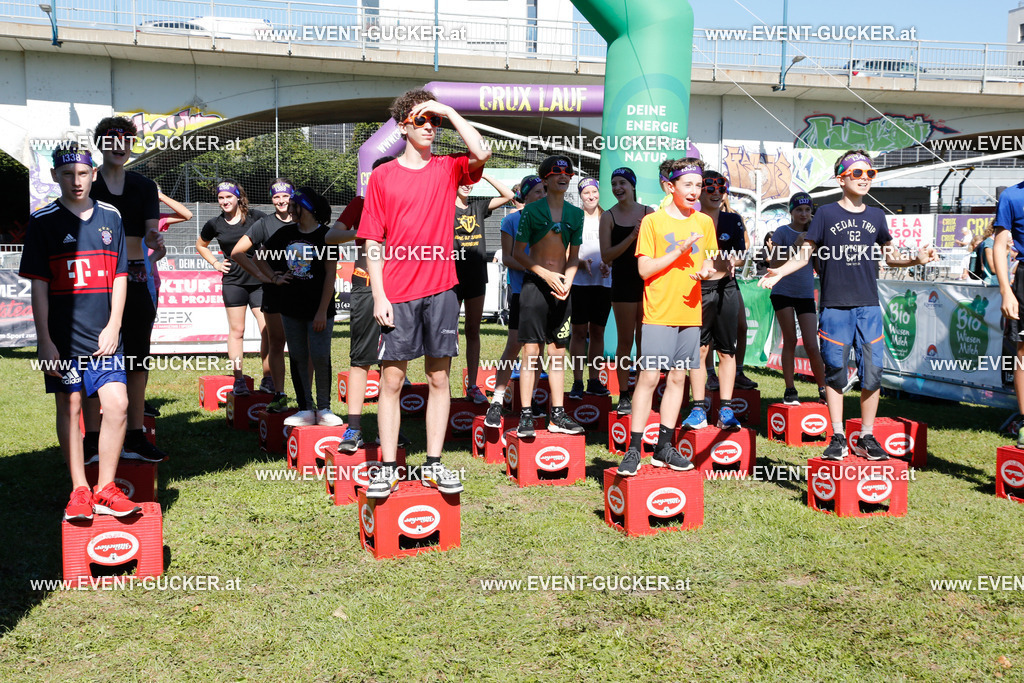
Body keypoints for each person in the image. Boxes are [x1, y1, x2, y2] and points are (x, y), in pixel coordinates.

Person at [760, 150, 937, 460]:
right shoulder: (825, 214)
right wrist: (779, 272)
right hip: (835, 307)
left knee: (873, 373)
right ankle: (838, 435)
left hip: (868, 306)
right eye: (857, 173)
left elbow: (891, 256)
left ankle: (867, 437)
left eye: (870, 173)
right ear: (840, 178)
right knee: (835, 372)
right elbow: (804, 255)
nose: (865, 178)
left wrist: (915, 259)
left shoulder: (877, 216)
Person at [357, 88, 489, 499]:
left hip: (442, 290)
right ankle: (387, 467)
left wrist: (447, 109)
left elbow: (481, 153)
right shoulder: (382, 175)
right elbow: (372, 243)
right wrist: (379, 295)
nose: (429, 128)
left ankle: (433, 464)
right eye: (421, 121)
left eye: (434, 122)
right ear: (402, 128)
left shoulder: (449, 168)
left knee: (438, 378)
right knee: (392, 381)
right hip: (397, 293)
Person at [19, 144, 140, 519]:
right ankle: (79, 490)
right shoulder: (42, 222)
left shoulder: (111, 217)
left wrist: (115, 325)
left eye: (83, 174)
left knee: (118, 405)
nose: (76, 181)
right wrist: (45, 341)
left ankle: (106, 486)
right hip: (64, 340)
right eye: (68, 174)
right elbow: (39, 286)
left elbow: (121, 276)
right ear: (55, 176)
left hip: (105, 336)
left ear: (93, 174)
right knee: (70, 408)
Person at [616, 158, 716, 476]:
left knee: (677, 379)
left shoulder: (704, 223)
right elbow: (644, 269)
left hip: (690, 312)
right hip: (658, 312)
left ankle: (664, 447)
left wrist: (706, 272)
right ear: (669, 187)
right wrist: (679, 251)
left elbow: (710, 264)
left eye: (698, 185)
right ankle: (633, 449)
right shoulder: (653, 223)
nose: (695, 191)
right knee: (648, 378)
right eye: (688, 184)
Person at [85, 117, 165, 464]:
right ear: (100, 144)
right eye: (112, 139)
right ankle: (91, 438)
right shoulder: (86, 183)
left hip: (135, 278)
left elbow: (150, 233)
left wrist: (154, 241)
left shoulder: (145, 186)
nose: (120, 146)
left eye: (126, 141)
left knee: (136, 357)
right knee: (92, 355)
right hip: (95, 282)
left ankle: (135, 434)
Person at [249, 187, 340, 427]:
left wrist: (322, 311)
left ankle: (324, 408)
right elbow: (259, 256)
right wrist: (273, 277)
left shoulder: (327, 236)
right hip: (290, 308)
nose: (289, 210)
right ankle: (305, 409)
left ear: (305, 207)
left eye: (293, 206)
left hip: (320, 310)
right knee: (298, 357)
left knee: (320, 356)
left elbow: (331, 275)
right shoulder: (285, 234)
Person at [512, 155, 587, 438]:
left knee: (557, 353)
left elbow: (574, 256)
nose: (563, 176)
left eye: (568, 172)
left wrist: (567, 280)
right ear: (545, 179)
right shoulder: (531, 212)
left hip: (562, 289)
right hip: (535, 287)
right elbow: (518, 253)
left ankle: (557, 414)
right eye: (556, 172)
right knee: (532, 352)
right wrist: (546, 275)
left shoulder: (576, 213)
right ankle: (526, 415)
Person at [327, 156, 394, 453]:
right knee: (361, 359)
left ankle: (388, 431)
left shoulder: (406, 203)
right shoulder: (361, 202)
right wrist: (363, 233)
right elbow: (331, 236)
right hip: (366, 285)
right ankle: (353, 429)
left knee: (394, 362)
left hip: (400, 288)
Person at [684, 170, 747, 430]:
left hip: (726, 287)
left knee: (726, 350)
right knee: (699, 349)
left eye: (720, 186)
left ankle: (726, 409)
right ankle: (698, 408)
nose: (715, 191)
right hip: (697, 288)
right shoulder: (690, 220)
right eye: (708, 186)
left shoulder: (733, 220)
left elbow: (742, 255)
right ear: (700, 191)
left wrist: (733, 260)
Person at [196, 180, 270, 396]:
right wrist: (216, 264)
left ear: (238, 197)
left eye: (229, 196)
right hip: (233, 282)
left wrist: (265, 257)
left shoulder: (257, 217)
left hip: (259, 281)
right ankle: (239, 380)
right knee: (237, 332)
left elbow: (271, 237)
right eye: (221, 197)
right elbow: (201, 245)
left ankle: (268, 378)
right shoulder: (214, 224)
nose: (225, 201)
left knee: (267, 329)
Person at [484, 175, 547, 427]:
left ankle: (529, 403)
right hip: (521, 291)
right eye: (538, 192)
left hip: (547, 293)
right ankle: (497, 401)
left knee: (538, 349)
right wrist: (535, 269)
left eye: (545, 191)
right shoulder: (511, 220)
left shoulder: (553, 220)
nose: (543, 196)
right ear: (526, 196)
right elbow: (508, 259)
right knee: (514, 345)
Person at [231, 178, 296, 412]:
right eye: (276, 197)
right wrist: (263, 276)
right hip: (274, 292)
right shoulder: (264, 224)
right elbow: (238, 252)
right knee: (277, 343)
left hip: (302, 293)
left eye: (285, 196)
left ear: (293, 196)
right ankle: (279, 393)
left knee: (303, 347)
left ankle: (308, 398)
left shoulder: (304, 220)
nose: (281, 201)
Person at [454, 173, 514, 403]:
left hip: (476, 277)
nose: (467, 185)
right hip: (451, 278)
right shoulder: (443, 206)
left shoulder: (478, 207)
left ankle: (472, 385)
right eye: (462, 181)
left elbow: (509, 195)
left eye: (470, 181)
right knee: (448, 335)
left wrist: (484, 175)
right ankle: (441, 387)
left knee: (472, 331)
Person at [599, 166, 652, 415]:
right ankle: (623, 394)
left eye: (622, 183)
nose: (618, 188)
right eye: (614, 183)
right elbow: (607, 256)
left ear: (632, 186)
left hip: (647, 285)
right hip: (622, 285)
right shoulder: (608, 217)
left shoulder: (648, 213)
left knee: (645, 342)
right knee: (625, 342)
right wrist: (632, 235)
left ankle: (642, 392)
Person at [768, 193, 827, 405]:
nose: (803, 214)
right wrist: (796, 244)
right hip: (782, 291)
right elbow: (774, 264)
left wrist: (819, 249)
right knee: (790, 340)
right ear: (791, 212)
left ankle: (823, 388)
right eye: (799, 210)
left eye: (807, 210)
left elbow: (819, 268)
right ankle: (790, 389)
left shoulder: (816, 233)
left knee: (812, 343)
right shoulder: (783, 232)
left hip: (805, 294)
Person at [143, 188, 192, 418]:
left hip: (149, 286)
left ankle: (138, 399)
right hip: (117, 285)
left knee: (142, 344)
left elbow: (186, 215)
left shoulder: (155, 219)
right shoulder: (115, 215)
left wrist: (159, 195)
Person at [568, 176, 612, 399]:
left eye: (594, 192)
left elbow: (616, 249)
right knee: (578, 333)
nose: (591, 196)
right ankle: (577, 381)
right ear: (580, 195)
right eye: (586, 193)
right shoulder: (575, 218)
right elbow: (565, 249)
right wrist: (580, 263)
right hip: (579, 283)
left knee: (597, 332)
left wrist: (608, 263)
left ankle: (594, 380)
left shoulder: (608, 217)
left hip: (604, 284)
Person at [993, 179, 1024, 446]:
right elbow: (1000, 245)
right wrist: (1006, 290)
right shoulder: (1012, 196)